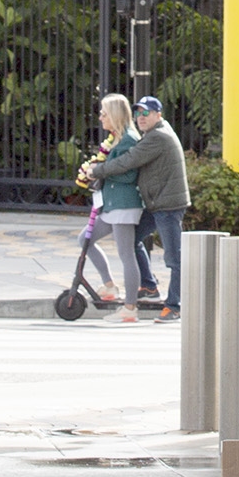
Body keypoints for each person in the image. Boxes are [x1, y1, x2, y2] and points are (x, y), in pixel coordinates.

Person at [89, 95, 190, 321]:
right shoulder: (152, 134)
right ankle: (149, 287)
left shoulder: (158, 137)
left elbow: (128, 161)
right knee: (133, 240)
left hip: (168, 205)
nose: (141, 118)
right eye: (138, 113)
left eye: (146, 113)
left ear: (158, 115)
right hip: (156, 203)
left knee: (174, 258)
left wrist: (97, 170)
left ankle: (174, 306)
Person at [78, 94, 150, 323]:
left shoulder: (128, 139)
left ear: (115, 115)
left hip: (123, 204)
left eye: (104, 114)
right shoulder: (116, 139)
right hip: (112, 203)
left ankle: (130, 308)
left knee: (126, 254)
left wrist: (100, 171)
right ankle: (109, 285)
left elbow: (129, 174)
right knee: (85, 240)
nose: (100, 118)